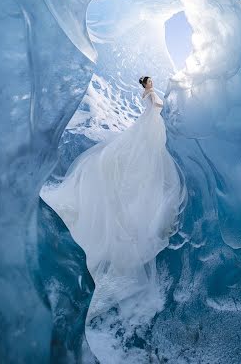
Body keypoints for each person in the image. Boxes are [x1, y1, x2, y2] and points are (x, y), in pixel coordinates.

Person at [39, 76, 187, 277]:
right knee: (144, 161)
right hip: (150, 128)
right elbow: (159, 105)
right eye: (149, 81)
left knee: (137, 157)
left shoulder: (146, 94)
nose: (151, 83)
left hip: (148, 127)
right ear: (146, 84)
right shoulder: (150, 94)